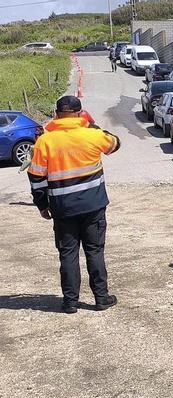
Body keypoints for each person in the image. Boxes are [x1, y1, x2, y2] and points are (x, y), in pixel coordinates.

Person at [27, 96, 121, 314]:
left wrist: (42, 205)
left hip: (62, 208)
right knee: (94, 250)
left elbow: (36, 178)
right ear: (80, 113)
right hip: (93, 205)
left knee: (67, 253)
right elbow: (115, 143)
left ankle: (70, 302)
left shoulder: (45, 141)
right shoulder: (93, 135)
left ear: (57, 114)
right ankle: (101, 298)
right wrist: (92, 126)